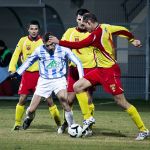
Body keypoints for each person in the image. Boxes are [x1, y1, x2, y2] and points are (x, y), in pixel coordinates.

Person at [49, 13, 150, 140]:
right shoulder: (106, 26)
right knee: (77, 86)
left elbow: (79, 45)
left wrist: (59, 42)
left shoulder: (96, 35)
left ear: (90, 22)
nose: (86, 29)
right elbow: (122, 29)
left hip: (110, 71)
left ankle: (143, 130)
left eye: (86, 26)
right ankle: (88, 118)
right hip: (100, 70)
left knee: (120, 101)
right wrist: (132, 39)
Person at [9, 32, 84, 132]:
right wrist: (17, 73)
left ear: (54, 42)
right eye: (47, 45)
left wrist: (81, 77)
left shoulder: (63, 50)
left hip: (59, 79)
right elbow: (28, 61)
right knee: (31, 110)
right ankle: (29, 117)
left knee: (64, 100)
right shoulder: (39, 50)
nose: (50, 47)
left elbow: (78, 62)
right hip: (44, 81)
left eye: (52, 44)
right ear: (43, 43)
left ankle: (72, 126)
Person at [8, 20, 61, 131]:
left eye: (35, 29)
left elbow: (52, 56)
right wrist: (12, 69)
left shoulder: (43, 41)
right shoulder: (22, 41)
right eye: (31, 29)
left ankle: (59, 125)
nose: (33, 31)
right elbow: (15, 55)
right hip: (27, 75)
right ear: (28, 29)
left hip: (41, 76)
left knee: (49, 100)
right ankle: (17, 124)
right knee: (22, 99)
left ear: (38, 30)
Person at [60, 9, 96, 134]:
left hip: (89, 70)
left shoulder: (93, 33)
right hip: (74, 70)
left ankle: (88, 127)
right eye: (79, 19)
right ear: (76, 19)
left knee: (88, 99)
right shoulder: (70, 32)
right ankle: (67, 123)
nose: (81, 22)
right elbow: (62, 47)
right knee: (68, 100)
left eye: (84, 20)